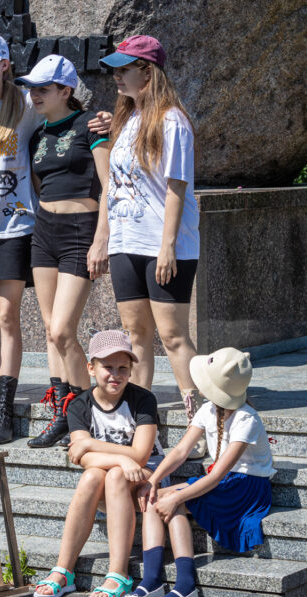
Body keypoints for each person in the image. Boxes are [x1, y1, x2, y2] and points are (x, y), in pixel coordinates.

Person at [0, 33, 110, 445]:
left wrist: (102, 237)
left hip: (35, 227)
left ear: (5, 64)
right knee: (40, 326)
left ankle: (73, 412)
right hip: (16, 226)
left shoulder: (33, 109)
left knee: (52, 328)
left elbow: (110, 160)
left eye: (45, 88)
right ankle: (15, 410)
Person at [98, 36, 203, 430]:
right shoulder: (128, 120)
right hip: (128, 243)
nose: (116, 77)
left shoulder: (172, 121)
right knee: (135, 334)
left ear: (147, 72)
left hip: (164, 245)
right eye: (116, 69)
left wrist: (168, 247)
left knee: (173, 335)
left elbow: (177, 187)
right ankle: (139, 418)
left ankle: (200, 418)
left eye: (124, 69)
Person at [124, 347, 274, 597]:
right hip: (226, 481)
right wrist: (154, 480)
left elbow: (217, 476)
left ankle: (185, 585)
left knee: (174, 501)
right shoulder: (208, 410)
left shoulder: (246, 419)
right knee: (154, 496)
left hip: (245, 487)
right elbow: (181, 451)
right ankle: (152, 582)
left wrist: (178, 496)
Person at [15, 54, 111, 448]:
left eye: (43, 88)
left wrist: (101, 237)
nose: (34, 94)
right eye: (32, 88)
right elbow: (39, 185)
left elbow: (109, 187)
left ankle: (87, 413)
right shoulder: (37, 134)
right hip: (45, 231)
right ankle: (62, 414)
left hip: (80, 231)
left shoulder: (91, 125)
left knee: (62, 329)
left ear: (65, 91)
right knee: (51, 335)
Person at [32, 330, 166, 597]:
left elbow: (141, 454)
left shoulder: (143, 399)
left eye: (122, 368)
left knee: (114, 473)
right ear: (91, 368)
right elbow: (80, 458)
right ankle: (64, 569)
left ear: (131, 370)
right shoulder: (79, 405)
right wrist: (123, 458)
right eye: (107, 367)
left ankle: (118, 573)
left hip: (147, 476)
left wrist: (96, 446)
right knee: (94, 474)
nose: (115, 374)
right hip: (112, 477)